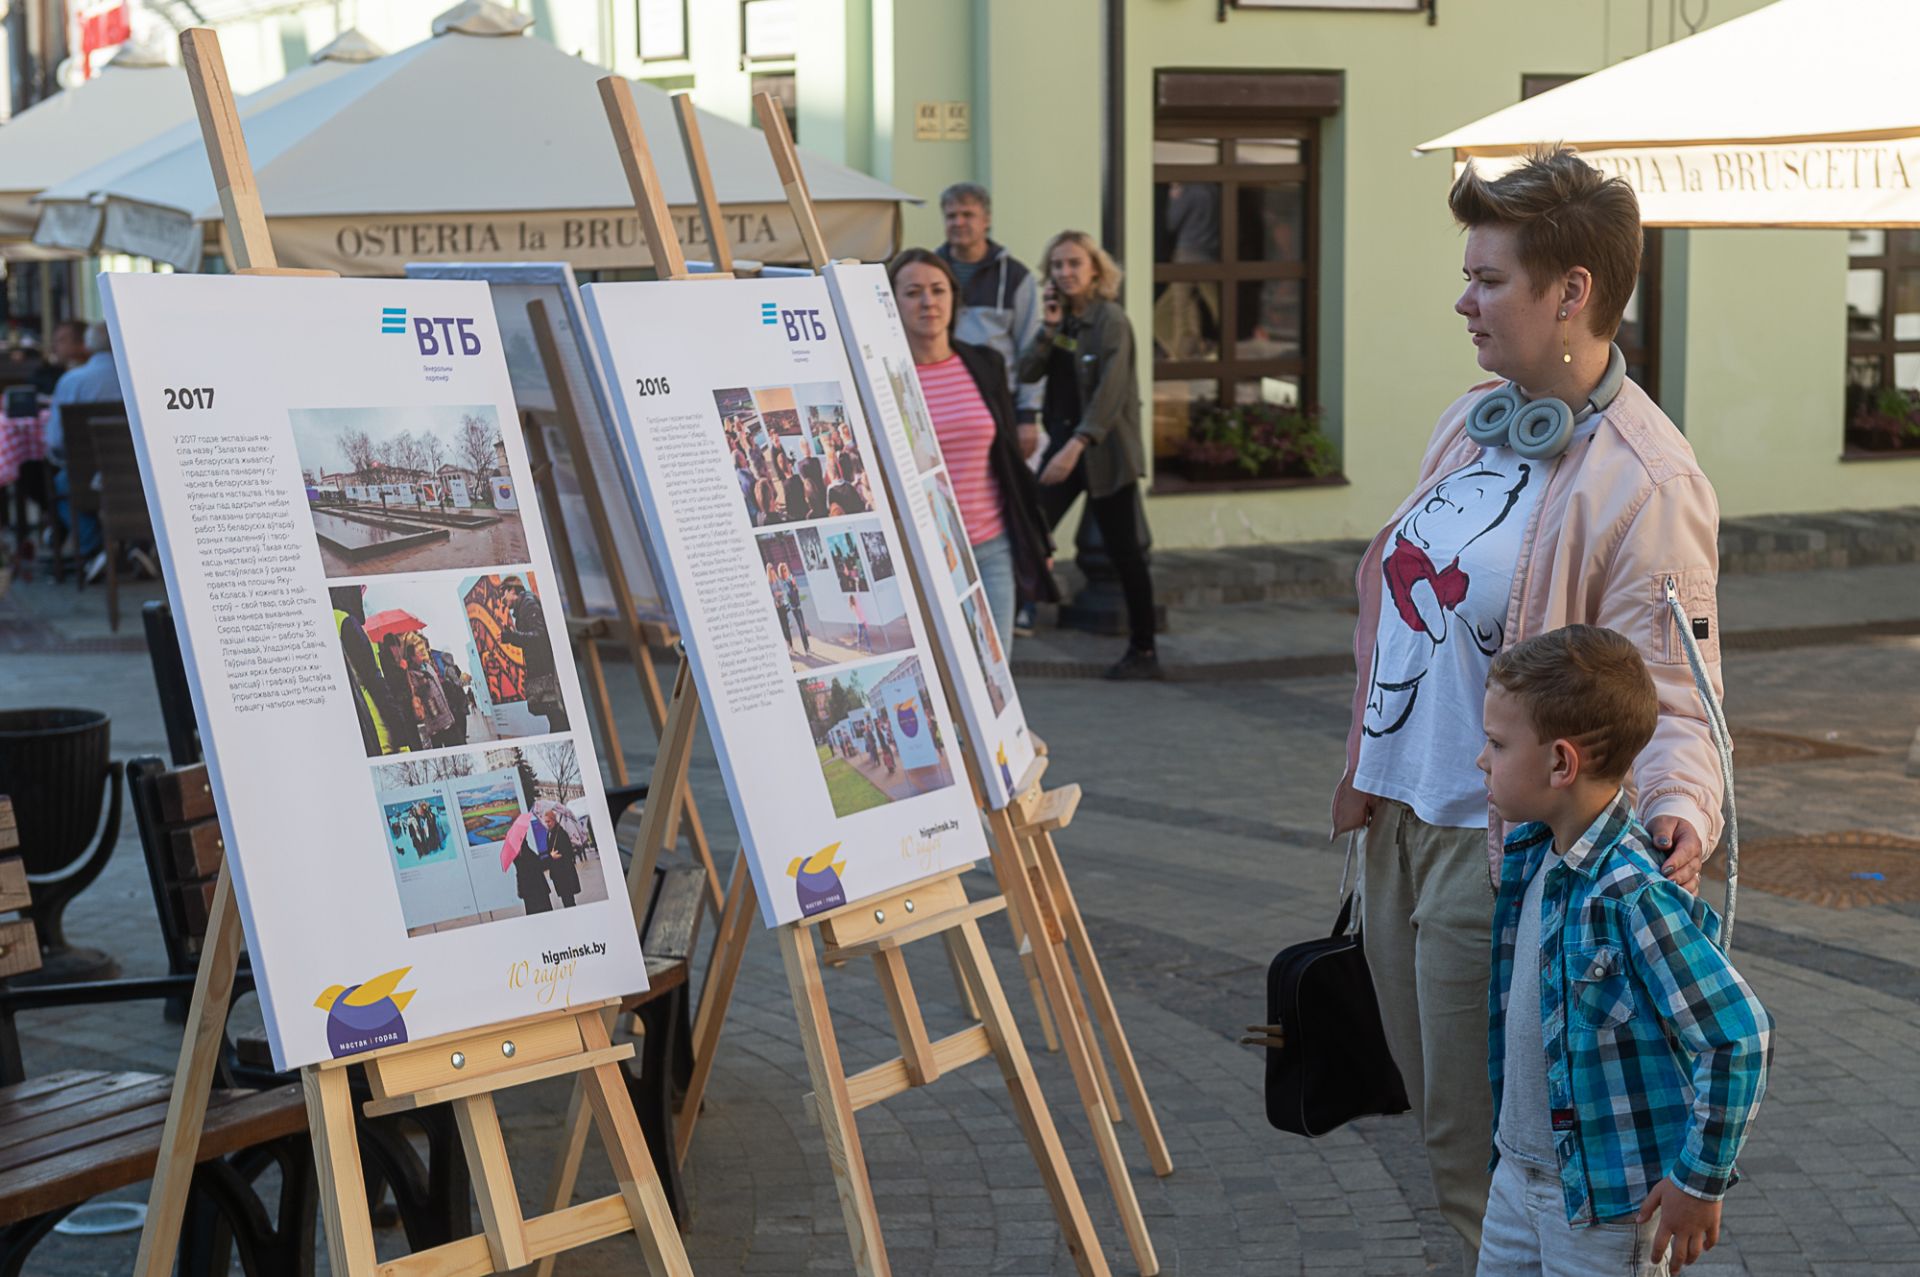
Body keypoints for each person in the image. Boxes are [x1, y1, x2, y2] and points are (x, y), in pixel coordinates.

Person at [1329, 147, 1727, 1271]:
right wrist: (1368, 760)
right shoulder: (1473, 421)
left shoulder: (1646, 480)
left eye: (1489, 278)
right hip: (1404, 821)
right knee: (1445, 1130)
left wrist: (1678, 815)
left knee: (1485, 1153)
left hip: (1501, 853)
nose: (1464, 299)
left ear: (1572, 294)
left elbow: (1678, 694)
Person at [1476, 626, 1771, 1276]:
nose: (1481, 760)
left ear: (1560, 763)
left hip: (1611, 1207)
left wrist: (1700, 1180)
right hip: (1517, 1180)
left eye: (1497, 744)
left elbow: (1739, 1035)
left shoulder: (1634, 895)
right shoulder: (1529, 856)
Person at [890, 248, 1058, 655]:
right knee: (940, 678)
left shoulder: (984, 364)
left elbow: (1008, 461)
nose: (928, 302)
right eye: (913, 292)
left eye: (938, 290)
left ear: (954, 298)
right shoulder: (883, 376)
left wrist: (1038, 537)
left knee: (995, 673)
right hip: (918, 556)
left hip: (989, 546)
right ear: (891, 303)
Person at [1018, 230, 1159, 680]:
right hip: (1065, 445)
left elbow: (1109, 394)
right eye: (1057, 265)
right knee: (1028, 527)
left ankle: (1144, 650)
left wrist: (1074, 448)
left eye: (1074, 263)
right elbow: (1027, 370)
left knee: (1126, 554)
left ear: (1095, 269)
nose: (1065, 272)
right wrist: (1049, 328)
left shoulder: (1110, 320)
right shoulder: (1064, 322)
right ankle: (1016, 614)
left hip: (1103, 452)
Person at [47, 322, 121, 583]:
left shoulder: (72, 381)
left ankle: (95, 548)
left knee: (60, 483)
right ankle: (134, 548)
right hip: (139, 478)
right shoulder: (141, 376)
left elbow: (55, 442)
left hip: (88, 478)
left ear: (87, 346)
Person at [499, 575, 568, 733]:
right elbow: (532, 640)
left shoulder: (528, 604)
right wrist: (513, 637)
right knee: (557, 719)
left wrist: (512, 636)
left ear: (512, 590)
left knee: (558, 721)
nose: (502, 599)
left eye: (503, 593)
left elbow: (539, 636)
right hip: (545, 675)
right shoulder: (524, 606)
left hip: (546, 675)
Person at [377, 633, 424, 750]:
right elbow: (394, 682)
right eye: (398, 647)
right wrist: (402, 670)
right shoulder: (387, 662)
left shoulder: (389, 660)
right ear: (393, 647)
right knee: (411, 739)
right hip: (402, 708)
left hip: (403, 708)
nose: (399, 650)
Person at [781, 564, 812, 654]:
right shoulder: (785, 582)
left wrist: (795, 586)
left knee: (803, 626)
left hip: (798, 605)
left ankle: (808, 647)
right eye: (783, 570)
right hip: (794, 607)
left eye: (786, 569)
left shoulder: (790, 579)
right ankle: (807, 649)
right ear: (782, 573)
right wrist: (793, 584)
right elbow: (790, 593)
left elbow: (796, 591)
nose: (785, 571)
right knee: (801, 628)